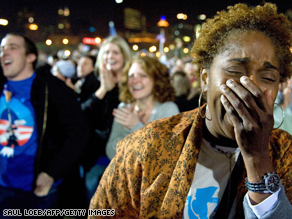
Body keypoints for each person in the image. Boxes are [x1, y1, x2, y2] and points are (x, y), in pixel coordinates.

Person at [89, 3, 292, 218]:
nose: (251, 87)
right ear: (205, 79)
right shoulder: (146, 148)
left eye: (268, 78)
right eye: (234, 71)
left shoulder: (286, 155)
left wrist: (258, 159)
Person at [0, 33, 88, 214]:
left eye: (12, 47)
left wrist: (51, 173)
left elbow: (78, 134)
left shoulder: (53, 90)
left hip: (40, 191)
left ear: (30, 57)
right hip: (3, 189)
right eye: (1, 49)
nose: (4, 53)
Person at [81, 35, 132, 204]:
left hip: (123, 155)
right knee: (94, 203)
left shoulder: (133, 80)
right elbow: (81, 115)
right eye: (107, 52)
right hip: (95, 155)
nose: (110, 56)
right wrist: (103, 89)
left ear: (124, 56)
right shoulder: (93, 79)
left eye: (115, 52)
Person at [106, 56, 179, 160]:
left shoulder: (168, 109)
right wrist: (127, 131)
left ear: (156, 80)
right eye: (131, 76)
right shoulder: (124, 108)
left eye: (143, 75)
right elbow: (111, 153)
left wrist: (136, 127)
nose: (135, 81)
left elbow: (165, 156)